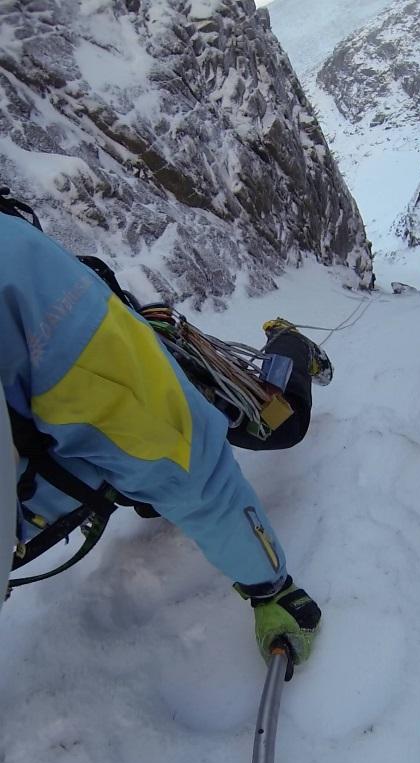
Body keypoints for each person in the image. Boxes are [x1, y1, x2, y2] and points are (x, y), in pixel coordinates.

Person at [0, 208, 324, 665]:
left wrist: (270, 586)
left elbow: (179, 454)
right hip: (90, 388)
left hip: (126, 367)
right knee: (150, 488)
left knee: (277, 422)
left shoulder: (12, 279)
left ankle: (291, 346)